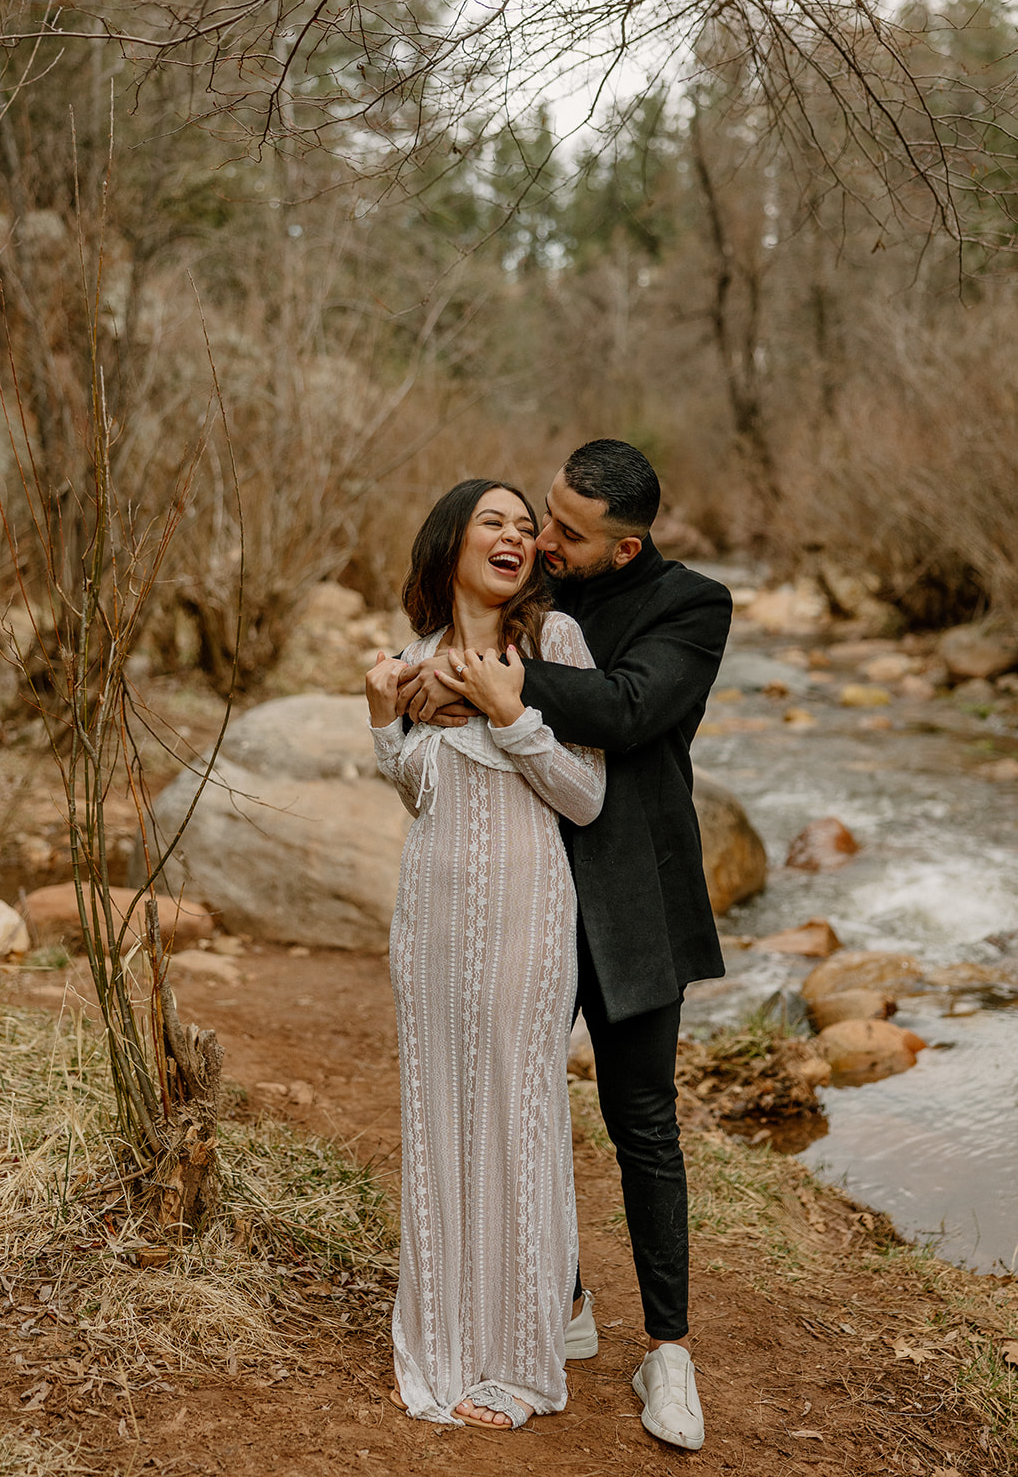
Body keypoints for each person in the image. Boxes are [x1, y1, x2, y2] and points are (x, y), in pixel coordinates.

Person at [396, 440, 732, 1453]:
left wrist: (484, 685)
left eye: (566, 532)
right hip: (517, 892)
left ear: (623, 546)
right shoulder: (533, 577)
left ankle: (666, 1351)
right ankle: (562, 1296)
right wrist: (437, 681)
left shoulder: (691, 606)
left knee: (639, 1118)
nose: (541, 539)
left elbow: (629, 713)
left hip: (627, 897)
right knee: (512, 1096)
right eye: (540, 515)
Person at [366, 478, 606, 1431]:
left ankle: (515, 1355)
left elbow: (584, 797)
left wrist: (510, 712)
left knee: (516, 1113)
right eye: (491, 523)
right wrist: (383, 717)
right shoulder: (414, 657)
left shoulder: (552, 645)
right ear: (450, 545)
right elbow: (418, 791)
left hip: (525, 908)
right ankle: (443, 1342)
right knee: (438, 1115)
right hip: (428, 912)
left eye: (523, 526)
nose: (513, 537)